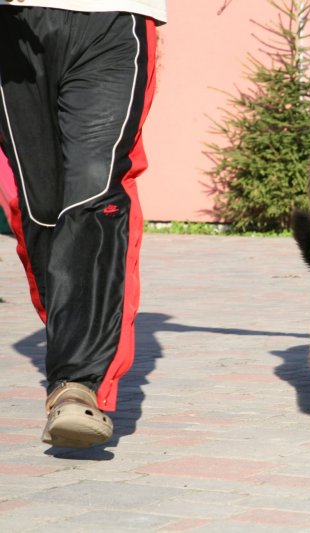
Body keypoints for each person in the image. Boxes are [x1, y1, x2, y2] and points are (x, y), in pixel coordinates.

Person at [0, 1, 167, 448]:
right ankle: (69, 348)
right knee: (35, 208)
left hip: (114, 19)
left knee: (96, 192)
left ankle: (78, 383)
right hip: (11, 26)